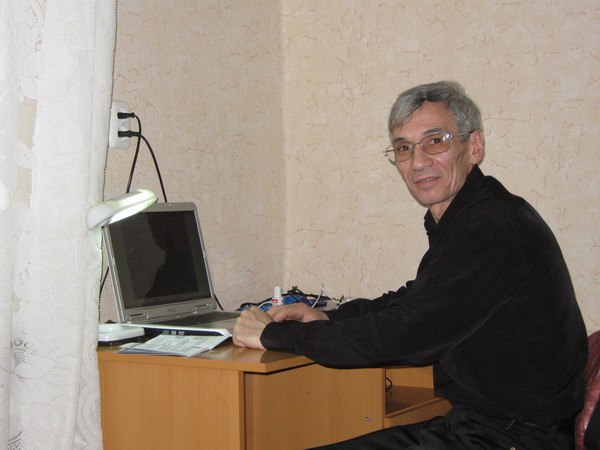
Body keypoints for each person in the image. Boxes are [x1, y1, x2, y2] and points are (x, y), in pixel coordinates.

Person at [233, 81, 588, 449]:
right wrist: (325, 318)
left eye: (435, 141)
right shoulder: (469, 216)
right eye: (404, 148)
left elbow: (408, 333)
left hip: (516, 437)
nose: (418, 162)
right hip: (477, 424)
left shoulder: (492, 228)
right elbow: (416, 300)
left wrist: (274, 335)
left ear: (474, 146)